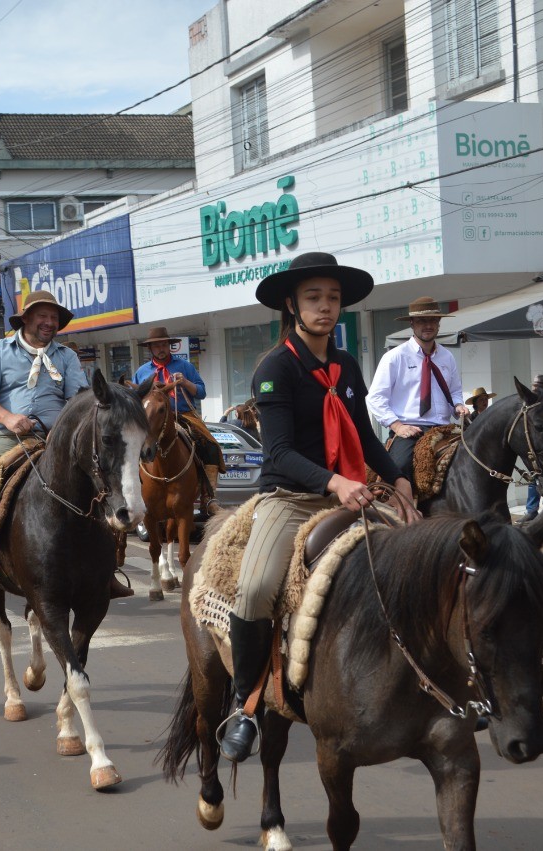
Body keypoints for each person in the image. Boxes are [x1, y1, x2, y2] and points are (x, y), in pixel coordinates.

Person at [221, 252, 421, 764]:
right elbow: (280, 452)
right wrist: (336, 482)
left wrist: (398, 478)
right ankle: (243, 705)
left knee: (417, 564)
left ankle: (424, 681)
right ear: (292, 305)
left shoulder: (347, 366)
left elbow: (363, 437)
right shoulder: (275, 368)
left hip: (349, 489)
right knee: (256, 587)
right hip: (289, 496)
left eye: (332, 298)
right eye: (314, 297)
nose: (325, 307)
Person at [0, 290, 117, 621]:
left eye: (54, 318)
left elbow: (79, 398)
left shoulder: (67, 357)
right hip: (9, 438)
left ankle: (105, 571)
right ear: (26, 319)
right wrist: (8, 417)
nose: (49, 322)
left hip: (60, 439)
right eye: (42, 316)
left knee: (108, 486)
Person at [368, 296, 468, 487]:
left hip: (443, 427)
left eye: (432, 320)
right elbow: (375, 398)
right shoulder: (395, 357)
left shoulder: (447, 357)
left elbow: (455, 390)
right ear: (412, 324)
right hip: (410, 429)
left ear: (438, 324)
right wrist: (397, 426)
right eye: (422, 321)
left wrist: (458, 405)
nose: (428, 325)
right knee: (400, 465)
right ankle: (399, 510)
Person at [132, 326, 226, 515]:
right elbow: (135, 397)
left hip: (183, 415)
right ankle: (132, 492)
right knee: (131, 447)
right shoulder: (142, 372)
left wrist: (185, 383)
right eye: (157, 345)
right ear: (150, 349)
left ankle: (208, 496)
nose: (161, 348)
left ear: (170, 346)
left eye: (164, 344)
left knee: (209, 444)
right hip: (152, 418)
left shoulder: (185, 367)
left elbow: (201, 392)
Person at [520, 374, 543, 525]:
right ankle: (531, 510)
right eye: (534, 386)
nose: (534, 389)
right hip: (533, 449)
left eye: (538, 387)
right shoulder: (528, 404)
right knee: (533, 479)